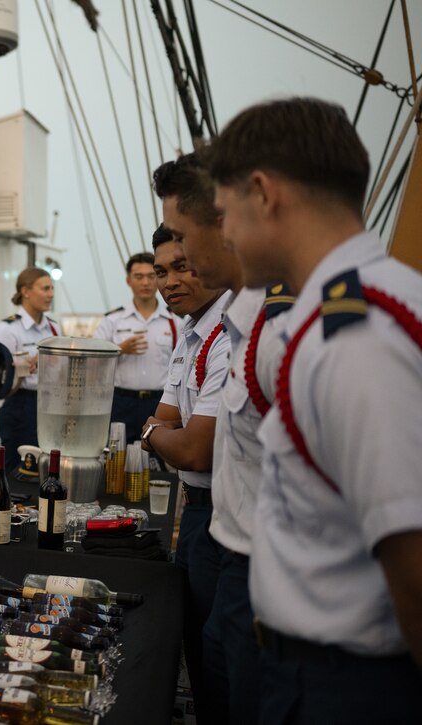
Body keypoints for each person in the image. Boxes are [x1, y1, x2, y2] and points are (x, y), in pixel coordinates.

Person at [207, 97, 422, 723]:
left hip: (346, 688)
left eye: (224, 213)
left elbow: (411, 559)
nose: (223, 234)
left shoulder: (352, 340)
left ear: (263, 192)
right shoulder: (372, 303)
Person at [141, 166, 231, 721]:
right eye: (162, 272)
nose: (171, 281)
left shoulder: (227, 334)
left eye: (182, 265)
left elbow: (195, 448)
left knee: (222, 664)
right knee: (198, 651)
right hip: (197, 512)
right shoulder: (191, 333)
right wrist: (159, 432)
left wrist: (156, 435)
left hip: (227, 515)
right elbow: (163, 419)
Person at [94, 250, 179, 444]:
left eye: (151, 276)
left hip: (160, 404)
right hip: (120, 402)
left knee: (159, 458)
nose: (145, 283)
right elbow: (94, 359)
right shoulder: (113, 320)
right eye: (138, 277)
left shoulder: (174, 321)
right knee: (117, 457)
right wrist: (120, 349)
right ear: (128, 281)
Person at [0, 267, 58, 474]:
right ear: (26, 291)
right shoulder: (8, 329)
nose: (51, 294)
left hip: (50, 405)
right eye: (45, 289)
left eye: (52, 289)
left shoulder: (54, 329)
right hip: (21, 405)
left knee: (47, 469)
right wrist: (24, 368)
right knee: (17, 472)